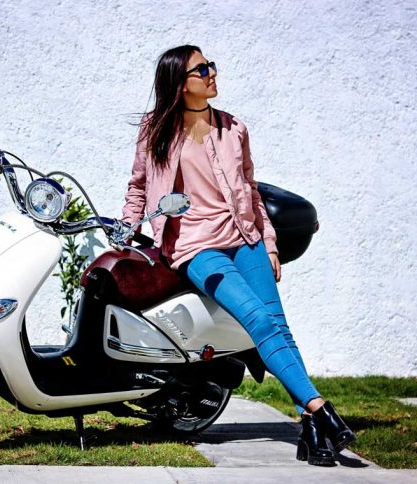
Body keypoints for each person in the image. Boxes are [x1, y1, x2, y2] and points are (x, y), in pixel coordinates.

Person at [121, 44, 356, 466]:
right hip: (196, 247)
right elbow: (138, 186)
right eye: (201, 69)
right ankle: (321, 410)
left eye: (210, 66)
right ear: (180, 82)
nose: (212, 73)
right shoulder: (156, 130)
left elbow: (251, 190)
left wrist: (268, 243)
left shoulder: (234, 128)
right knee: (258, 321)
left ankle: (311, 427)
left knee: (278, 327)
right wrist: (128, 227)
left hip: (245, 239)